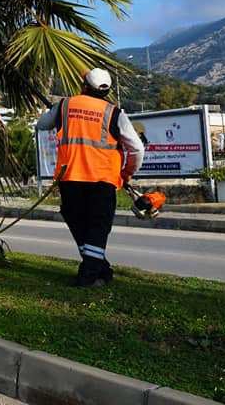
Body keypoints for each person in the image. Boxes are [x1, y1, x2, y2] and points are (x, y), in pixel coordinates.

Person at [36, 68, 144, 287]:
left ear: (84, 85)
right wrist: (127, 172)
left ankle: (97, 272)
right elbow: (137, 149)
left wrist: (56, 114)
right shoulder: (115, 113)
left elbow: (41, 125)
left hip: (70, 178)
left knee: (82, 226)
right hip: (102, 180)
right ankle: (93, 274)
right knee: (97, 227)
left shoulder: (65, 105)